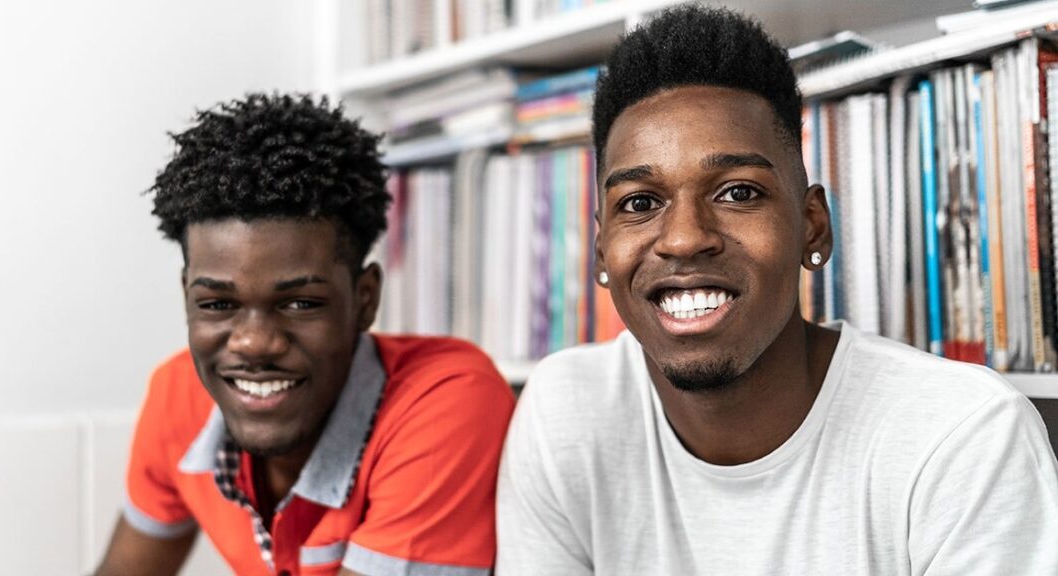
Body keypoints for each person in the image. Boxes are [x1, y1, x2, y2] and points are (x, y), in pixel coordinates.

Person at [496, 4, 1058, 574]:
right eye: (640, 203)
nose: (686, 238)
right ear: (600, 252)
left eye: (738, 193)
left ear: (813, 226)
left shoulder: (963, 437)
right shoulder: (564, 414)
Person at [96, 94, 514, 576]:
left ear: (364, 300)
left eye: (300, 304)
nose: (254, 343)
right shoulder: (177, 396)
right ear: (186, 295)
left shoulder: (448, 400)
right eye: (217, 304)